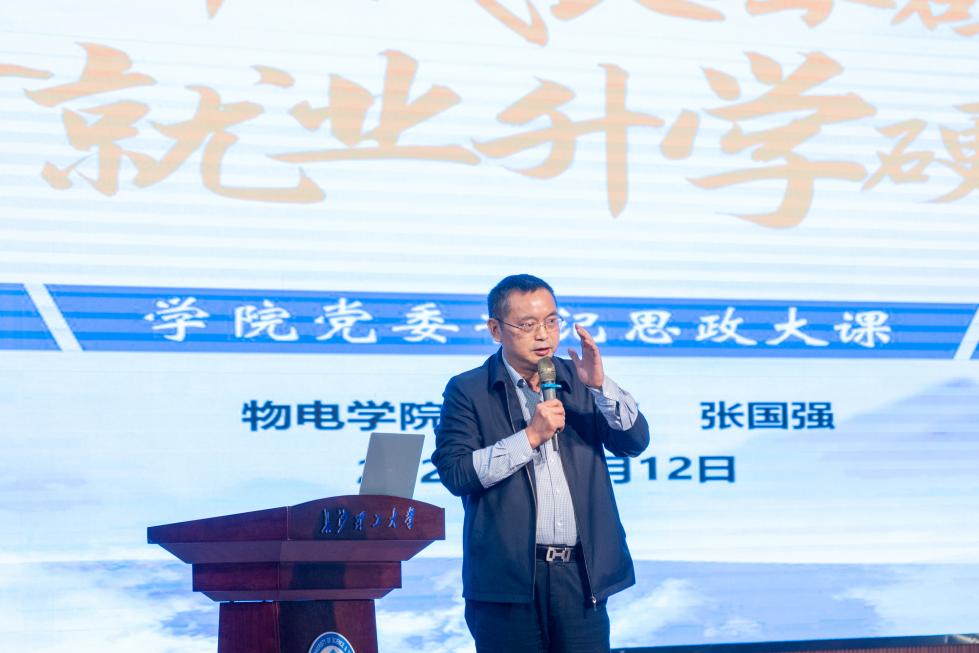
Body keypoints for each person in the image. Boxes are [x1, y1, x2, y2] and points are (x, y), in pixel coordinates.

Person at [432, 274, 650, 653]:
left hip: (580, 577)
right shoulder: (468, 390)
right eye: (527, 325)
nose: (543, 335)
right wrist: (530, 437)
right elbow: (457, 473)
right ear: (496, 330)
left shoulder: (579, 380)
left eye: (551, 321)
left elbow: (634, 441)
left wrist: (600, 387)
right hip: (508, 583)